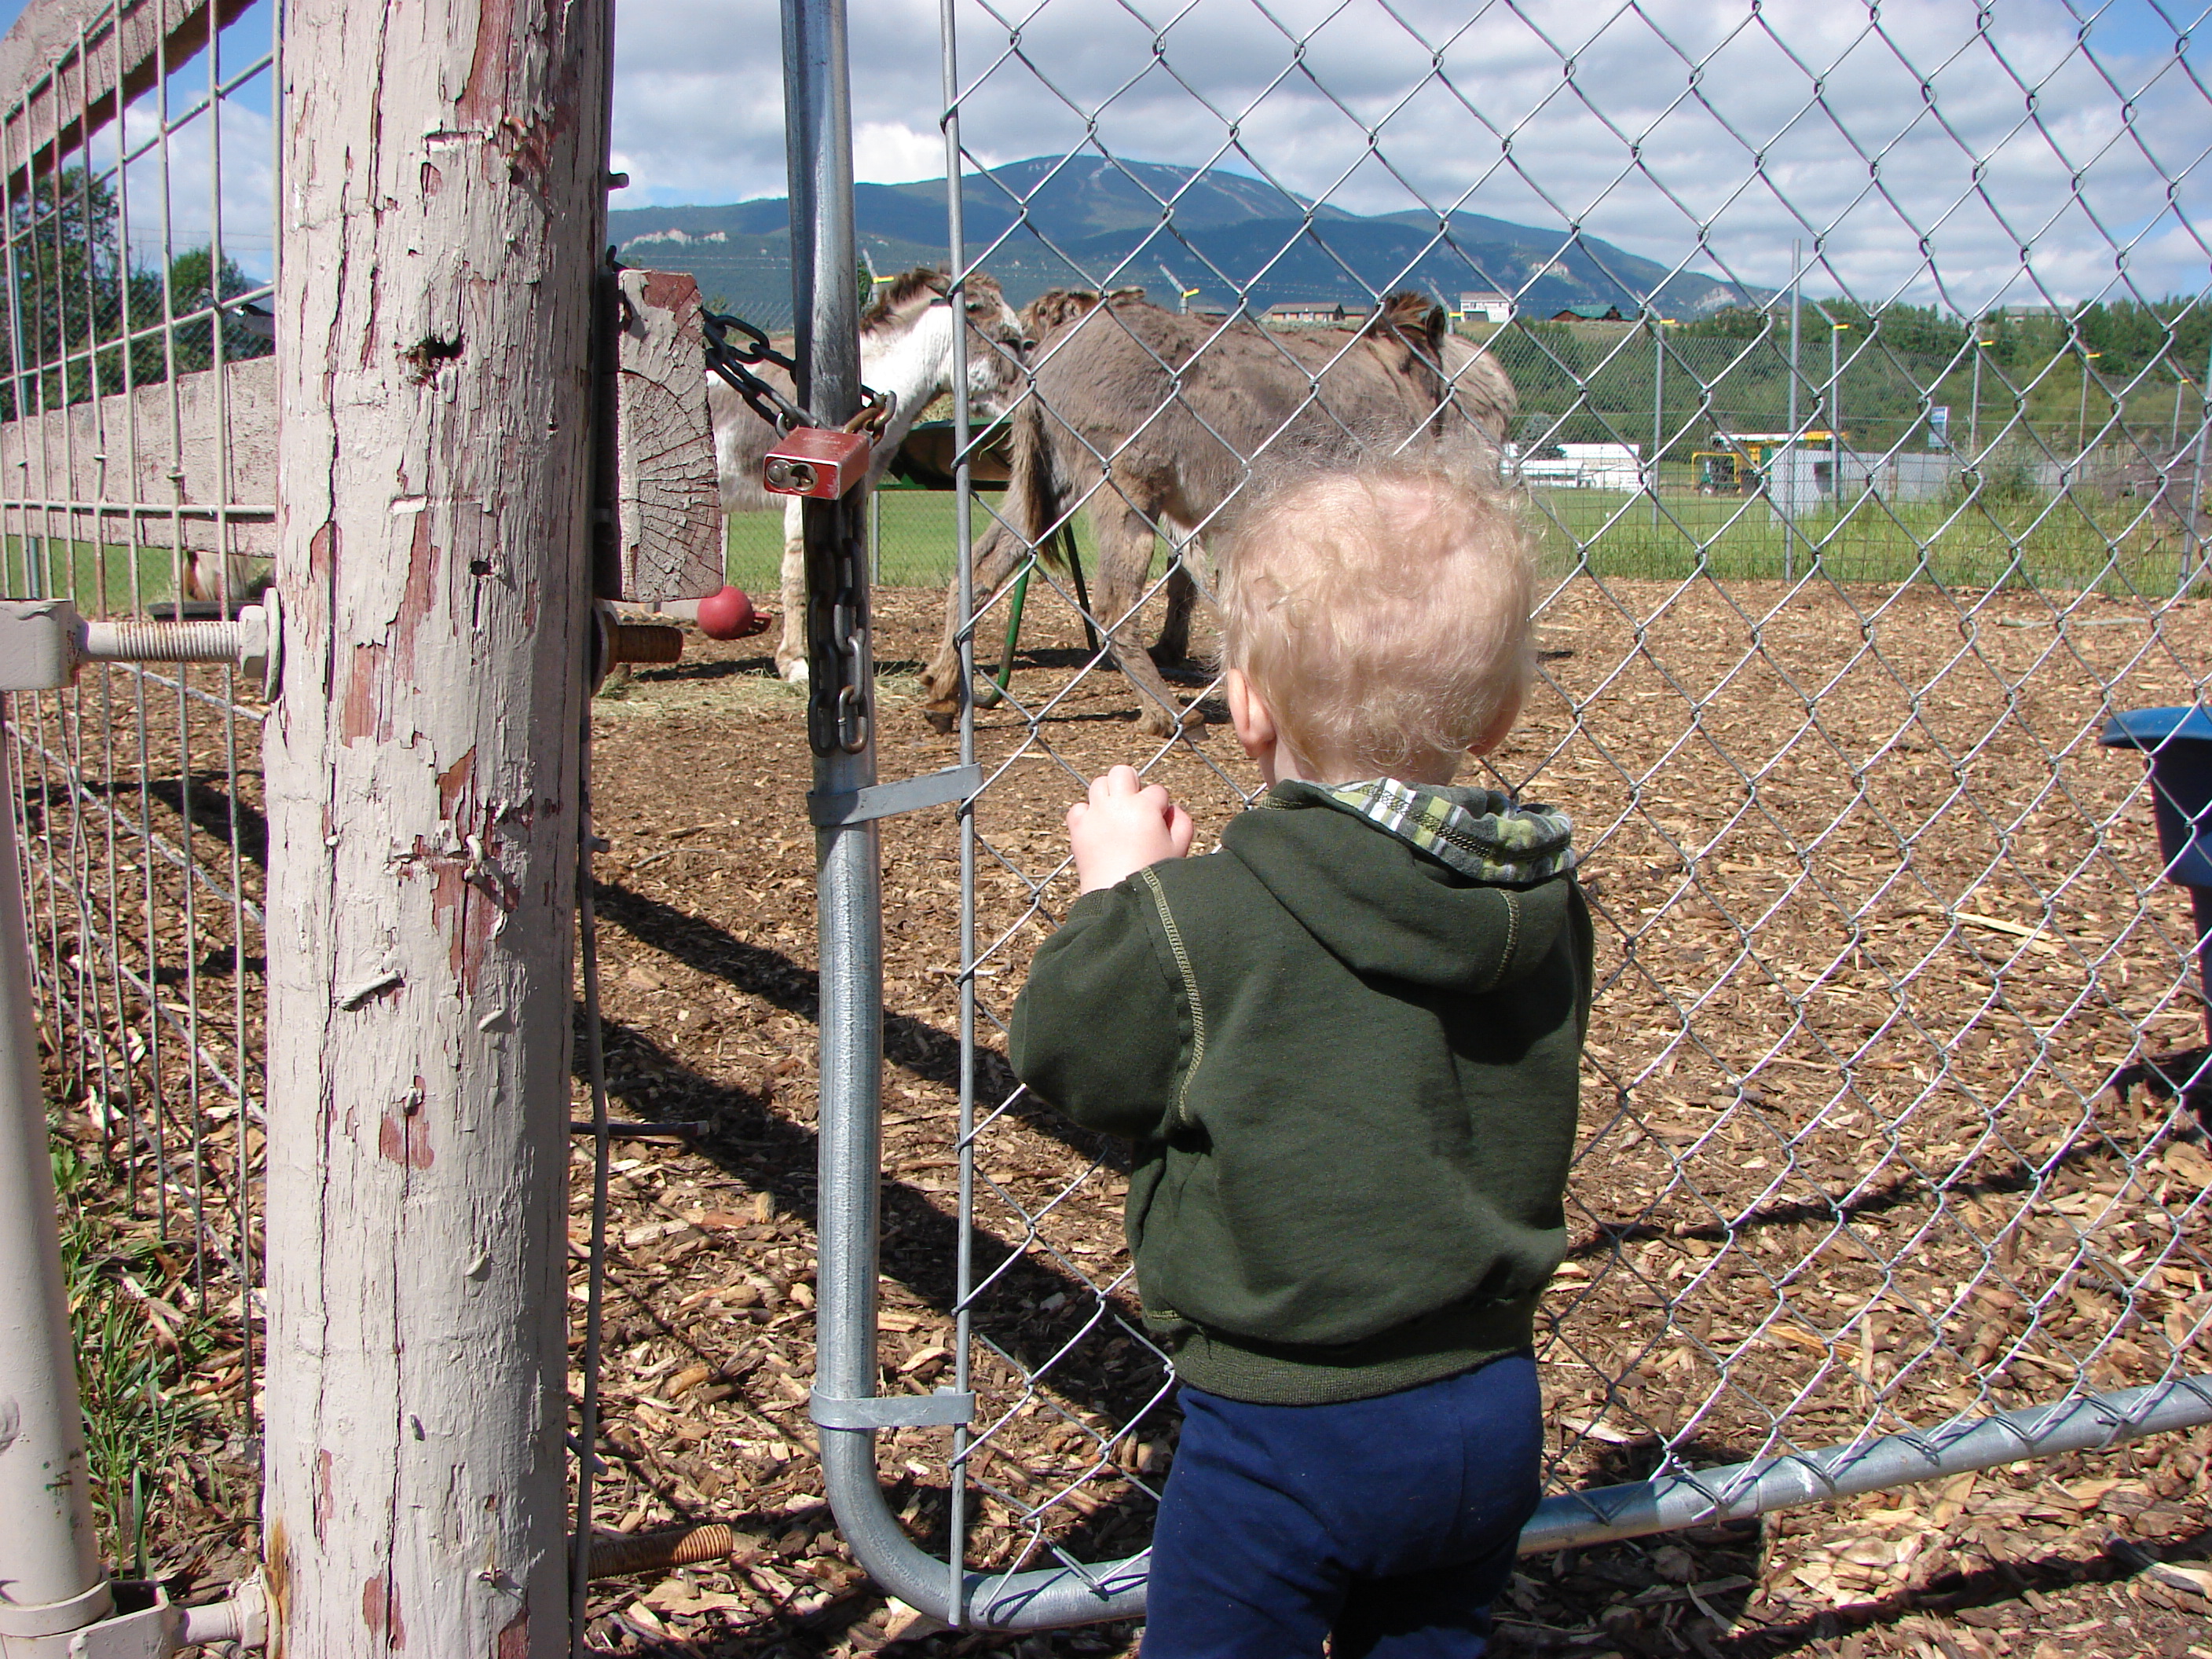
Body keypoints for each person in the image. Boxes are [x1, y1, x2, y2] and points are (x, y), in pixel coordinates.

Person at [1007, 456, 1593, 1658]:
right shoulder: (1544, 909)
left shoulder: (1210, 919)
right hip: (1487, 1407)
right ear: (1497, 717)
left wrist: (1123, 898)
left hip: (1284, 1427)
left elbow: (1069, 1056)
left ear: (1246, 707)